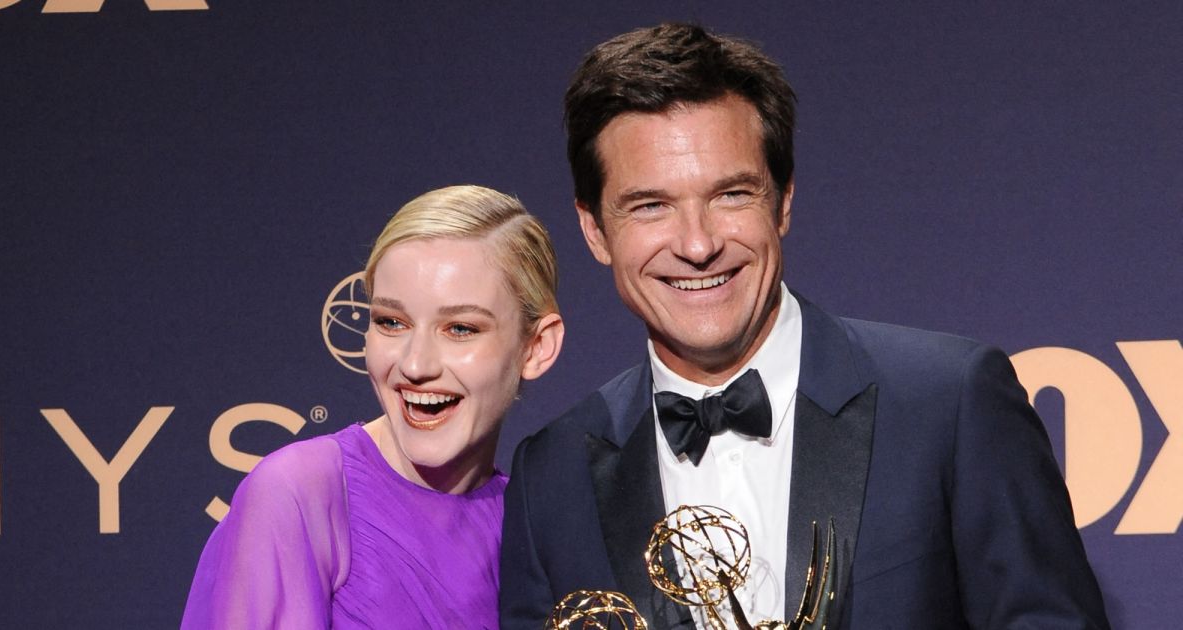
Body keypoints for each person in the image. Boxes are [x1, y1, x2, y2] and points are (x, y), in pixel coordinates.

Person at [499, 23, 1110, 629]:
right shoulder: (552, 476)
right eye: (651, 206)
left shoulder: (949, 403)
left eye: (732, 195)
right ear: (594, 230)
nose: (698, 243)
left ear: (783, 201)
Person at [183, 185, 564, 628]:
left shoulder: (530, 527)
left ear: (536, 347)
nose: (415, 364)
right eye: (391, 322)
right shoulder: (302, 492)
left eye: (460, 328)